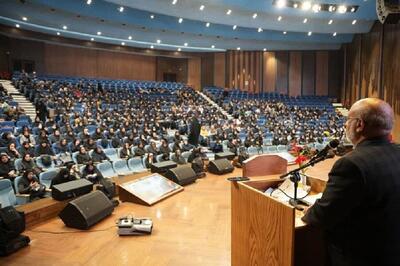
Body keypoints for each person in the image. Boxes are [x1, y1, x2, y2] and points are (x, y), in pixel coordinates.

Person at [302, 98, 400, 266]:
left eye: (347, 121)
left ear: (359, 125)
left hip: (362, 257)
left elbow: (321, 217)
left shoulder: (351, 164)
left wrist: (308, 210)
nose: (345, 126)